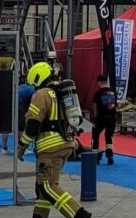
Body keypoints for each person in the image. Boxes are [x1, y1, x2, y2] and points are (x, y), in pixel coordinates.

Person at [17, 61, 91, 218]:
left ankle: (80, 215)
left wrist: (21, 146)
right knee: (41, 189)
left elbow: (32, 125)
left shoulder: (42, 94)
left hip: (50, 149)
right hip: (64, 144)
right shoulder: (60, 94)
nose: (33, 87)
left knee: (47, 187)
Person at [3, 76, 37, 154]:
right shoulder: (33, 90)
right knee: (21, 127)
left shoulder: (22, 86)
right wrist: (28, 114)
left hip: (8, 101)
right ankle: (21, 148)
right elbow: (33, 103)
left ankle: (4, 148)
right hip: (18, 104)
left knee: (6, 126)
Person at [92, 75, 117, 164]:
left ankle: (95, 156)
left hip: (101, 117)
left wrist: (94, 118)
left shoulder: (97, 93)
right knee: (109, 136)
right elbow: (114, 105)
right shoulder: (113, 92)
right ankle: (110, 156)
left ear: (99, 82)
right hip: (112, 118)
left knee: (95, 135)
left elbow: (95, 108)